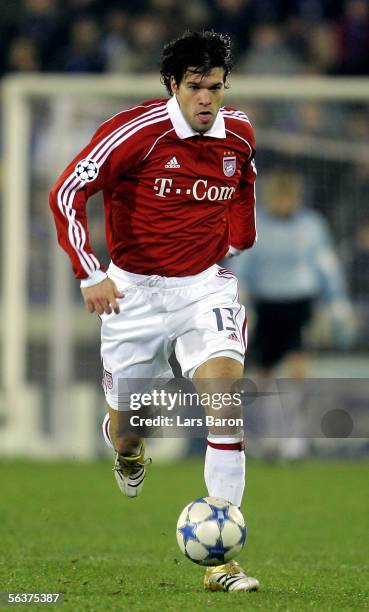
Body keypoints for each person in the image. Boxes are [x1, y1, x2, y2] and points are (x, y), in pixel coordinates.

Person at [49, 31, 259, 592]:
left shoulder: (238, 133)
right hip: (132, 294)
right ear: (174, 84)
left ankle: (222, 561)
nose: (207, 98)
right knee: (129, 431)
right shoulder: (135, 132)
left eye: (215, 86)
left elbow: (242, 185)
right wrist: (90, 271)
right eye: (195, 87)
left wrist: (242, 235)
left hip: (202, 289)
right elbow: (66, 191)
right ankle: (125, 443)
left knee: (226, 405)